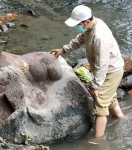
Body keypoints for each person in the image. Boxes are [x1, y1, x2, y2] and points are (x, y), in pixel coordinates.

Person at [49, 5, 125, 139]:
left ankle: (97, 141)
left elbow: (103, 64)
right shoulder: (91, 26)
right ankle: (121, 119)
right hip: (105, 70)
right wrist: (63, 50)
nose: (76, 26)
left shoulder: (100, 37)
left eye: (78, 24)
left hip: (111, 71)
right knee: (109, 98)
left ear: (86, 21)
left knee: (100, 105)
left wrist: (95, 86)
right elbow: (80, 39)